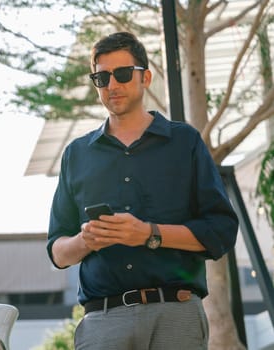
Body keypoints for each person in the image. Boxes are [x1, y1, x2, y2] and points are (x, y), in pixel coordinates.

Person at [46, 31, 238, 350]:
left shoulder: (185, 143)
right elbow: (57, 251)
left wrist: (150, 233)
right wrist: (85, 241)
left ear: (145, 77)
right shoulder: (76, 155)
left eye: (122, 74)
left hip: (176, 315)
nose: (112, 85)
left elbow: (221, 231)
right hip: (103, 321)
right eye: (101, 77)